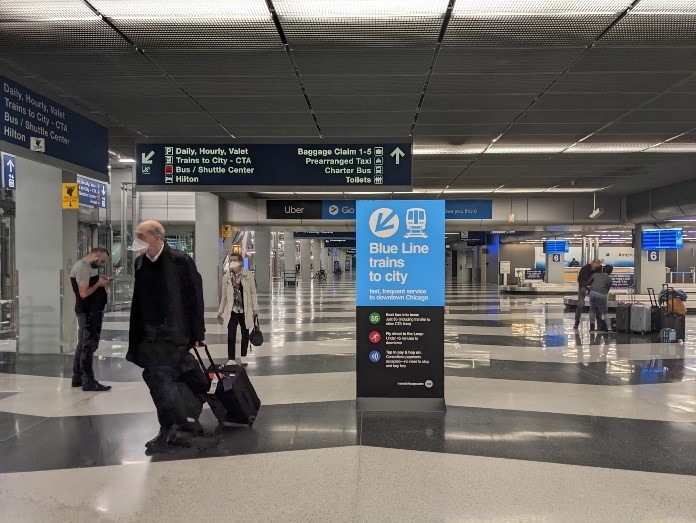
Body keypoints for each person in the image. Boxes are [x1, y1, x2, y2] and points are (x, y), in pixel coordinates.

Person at [126, 220, 209, 453]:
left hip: (174, 334)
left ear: (158, 238)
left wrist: (197, 333)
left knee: (163, 379)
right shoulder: (140, 263)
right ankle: (175, 426)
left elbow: (195, 298)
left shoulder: (180, 261)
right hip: (148, 336)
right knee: (160, 381)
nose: (137, 240)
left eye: (141, 235)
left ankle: (174, 428)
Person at [70, 247, 112, 391]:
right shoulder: (82, 268)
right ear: (94, 256)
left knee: (83, 344)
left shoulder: (88, 267)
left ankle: (78, 377)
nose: (101, 264)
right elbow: (83, 293)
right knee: (88, 346)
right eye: (101, 261)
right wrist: (99, 284)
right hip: (89, 312)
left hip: (90, 311)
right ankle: (88, 381)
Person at [217, 252, 259, 366]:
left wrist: (255, 309)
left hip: (245, 310)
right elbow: (224, 296)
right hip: (232, 310)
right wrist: (220, 311)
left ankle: (244, 356)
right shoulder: (227, 277)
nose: (231, 262)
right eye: (230, 260)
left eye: (234, 260)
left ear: (240, 262)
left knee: (245, 333)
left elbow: (253, 293)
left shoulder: (248, 275)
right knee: (231, 334)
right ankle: (231, 358)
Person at [573, 259, 602, 330]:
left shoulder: (599, 270)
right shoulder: (584, 269)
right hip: (583, 287)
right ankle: (576, 322)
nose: (596, 268)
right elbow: (580, 279)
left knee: (596, 306)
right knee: (580, 304)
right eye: (595, 266)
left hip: (593, 288)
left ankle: (598, 324)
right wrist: (585, 288)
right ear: (592, 264)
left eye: (597, 267)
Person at [586, 265, 614, 332]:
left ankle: (592, 327)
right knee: (604, 312)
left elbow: (588, 283)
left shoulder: (595, 274)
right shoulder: (609, 279)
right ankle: (608, 327)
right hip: (602, 294)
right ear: (610, 272)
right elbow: (607, 289)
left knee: (592, 310)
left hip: (592, 293)